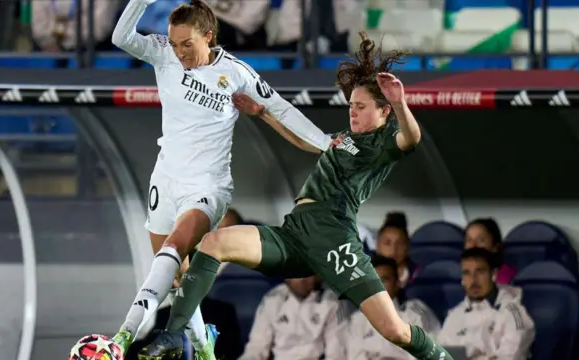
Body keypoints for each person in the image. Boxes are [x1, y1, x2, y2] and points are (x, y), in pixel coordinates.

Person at [145, 33, 455, 360]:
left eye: (361, 107)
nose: (353, 112)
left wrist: (400, 102)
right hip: (294, 232)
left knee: (395, 331)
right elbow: (308, 142)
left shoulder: (382, 145)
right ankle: (172, 333)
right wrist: (262, 113)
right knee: (213, 243)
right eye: (351, 105)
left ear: (383, 113)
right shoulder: (343, 139)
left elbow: (412, 138)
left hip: (334, 239)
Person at [109, 0, 335, 358]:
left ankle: (121, 336)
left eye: (188, 44)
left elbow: (280, 108)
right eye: (174, 42)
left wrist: (324, 142)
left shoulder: (237, 73)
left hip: (207, 186)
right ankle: (204, 346)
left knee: (171, 252)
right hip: (165, 180)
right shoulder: (164, 54)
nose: (180, 52)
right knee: (176, 278)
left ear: (209, 37)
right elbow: (121, 37)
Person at [437, 248, 535, 359]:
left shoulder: (513, 312)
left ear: (493, 274)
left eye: (480, 271)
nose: (473, 280)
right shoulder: (455, 314)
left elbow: (511, 356)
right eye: (467, 273)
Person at [347, 255, 440, 360]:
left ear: (397, 283)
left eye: (384, 280)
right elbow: (354, 356)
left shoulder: (416, 313)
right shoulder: (358, 319)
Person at [240, 275, 347, 360]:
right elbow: (257, 347)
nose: (302, 279)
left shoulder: (331, 302)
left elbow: (336, 354)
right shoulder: (272, 299)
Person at [464, 218, 517, 284]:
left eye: (481, 240)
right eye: (469, 240)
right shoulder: (460, 274)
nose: (473, 245)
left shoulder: (506, 276)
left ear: (495, 247)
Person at [375, 212, 417, 287]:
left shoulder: (419, 274)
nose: (393, 249)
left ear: (407, 245)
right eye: (387, 243)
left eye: (400, 243)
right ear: (377, 245)